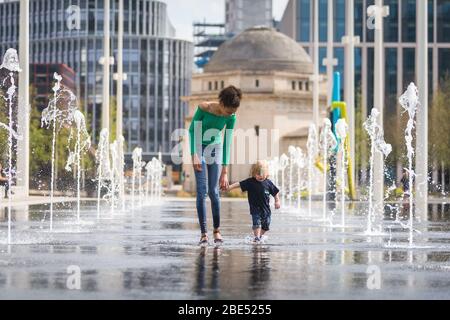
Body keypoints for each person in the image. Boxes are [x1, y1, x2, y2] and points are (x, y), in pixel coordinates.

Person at [188, 85, 242, 245]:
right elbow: (192, 131)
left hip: (215, 148)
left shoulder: (231, 117)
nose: (231, 115)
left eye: (234, 112)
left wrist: (225, 170)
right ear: (222, 104)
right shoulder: (204, 108)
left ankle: (217, 230)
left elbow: (227, 142)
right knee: (202, 191)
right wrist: (194, 154)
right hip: (199, 147)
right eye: (229, 111)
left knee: (214, 192)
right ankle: (204, 233)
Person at [227, 160, 281, 243]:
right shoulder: (250, 182)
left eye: (262, 174)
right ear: (253, 173)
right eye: (258, 174)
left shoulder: (268, 183)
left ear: (267, 174)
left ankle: (259, 236)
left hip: (266, 210)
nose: (260, 176)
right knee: (257, 223)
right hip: (255, 209)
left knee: (266, 225)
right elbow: (239, 184)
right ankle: (257, 238)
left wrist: (277, 201)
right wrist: (230, 187)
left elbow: (275, 192)